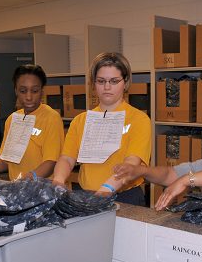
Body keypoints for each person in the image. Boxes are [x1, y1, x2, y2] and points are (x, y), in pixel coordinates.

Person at [52, 52, 151, 206]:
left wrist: (106, 189)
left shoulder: (138, 119)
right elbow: (67, 158)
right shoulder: (81, 121)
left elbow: (132, 163)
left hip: (124, 197)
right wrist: (58, 180)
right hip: (87, 194)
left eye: (114, 81)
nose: (106, 87)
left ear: (125, 83)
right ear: (93, 83)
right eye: (101, 81)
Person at [0, 65, 64, 180]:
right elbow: (5, 161)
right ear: (16, 91)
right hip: (17, 189)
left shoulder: (51, 118)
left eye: (34, 91)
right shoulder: (12, 119)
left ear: (42, 91)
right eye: (23, 91)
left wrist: (27, 179)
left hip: (42, 191)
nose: (29, 97)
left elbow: (51, 162)